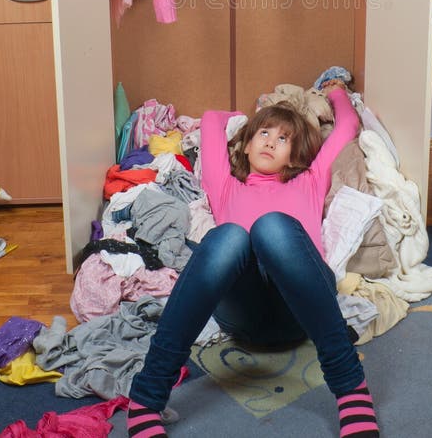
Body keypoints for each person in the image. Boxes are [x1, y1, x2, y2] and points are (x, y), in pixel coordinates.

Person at [127, 86, 380, 437]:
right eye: (264, 133)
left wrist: (336, 92)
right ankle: (146, 397)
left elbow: (347, 125)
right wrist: (243, 120)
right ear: (245, 145)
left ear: (295, 156)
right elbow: (213, 121)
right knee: (227, 237)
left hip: (300, 310)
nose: (270, 142)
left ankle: (351, 389)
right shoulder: (226, 185)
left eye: (283, 139)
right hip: (243, 315)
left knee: (271, 228)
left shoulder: (309, 180)